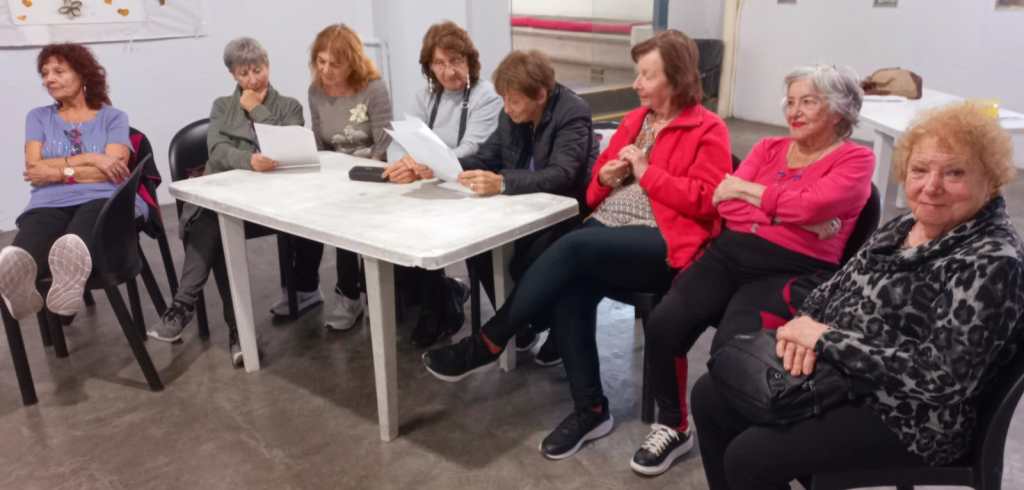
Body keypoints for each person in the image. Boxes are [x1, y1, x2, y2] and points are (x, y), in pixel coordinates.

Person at [422, 30, 732, 460]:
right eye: (638, 73)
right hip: (608, 229)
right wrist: (605, 178)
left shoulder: (708, 128)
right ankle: (591, 410)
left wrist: (647, 173)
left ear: (677, 78)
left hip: (664, 239)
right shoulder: (636, 121)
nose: (637, 83)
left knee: (573, 247)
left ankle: (489, 342)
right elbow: (590, 189)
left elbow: (708, 203)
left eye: (647, 75)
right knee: (572, 286)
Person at [691, 101, 1024, 490]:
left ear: (991, 179)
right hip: (844, 374)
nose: (931, 186)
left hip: (913, 416)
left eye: (955, 173)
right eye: (919, 170)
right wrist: (803, 328)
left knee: (750, 458)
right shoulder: (907, 225)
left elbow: (942, 378)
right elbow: (836, 286)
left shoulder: (993, 261)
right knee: (709, 395)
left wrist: (825, 340)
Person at [632, 64, 874, 476]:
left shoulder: (856, 159)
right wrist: (795, 216)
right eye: (790, 102)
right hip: (730, 254)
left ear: (839, 110)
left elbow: (813, 205)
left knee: (731, 352)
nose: (794, 111)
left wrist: (752, 193)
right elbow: (725, 204)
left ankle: (741, 444)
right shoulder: (767, 147)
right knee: (664, 324)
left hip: (794, 269)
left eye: (808, 102)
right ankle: (673, 426)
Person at [389, 49, 597, 353]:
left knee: (531, 258)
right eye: (504, 100)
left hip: (564, 211)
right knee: (479, 247)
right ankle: (521, 324)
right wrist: (437, 167)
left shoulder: (572, 111)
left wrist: (502, 182)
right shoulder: (510, 113)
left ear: (540, 95)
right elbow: (488, 156)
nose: (507, 108)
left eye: (514, 101)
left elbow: (563, 174)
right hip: (521, 205)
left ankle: (550, 323)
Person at [146, 38, 314, 367]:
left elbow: (288, 144)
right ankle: (219, 322)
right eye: (243, 73)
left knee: (216, 223)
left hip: (272, 199)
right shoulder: (222, 106)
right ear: (232, 75)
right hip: (229, 194)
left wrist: (256, 109)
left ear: (268, 65)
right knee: (215, 221)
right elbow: (217, 151)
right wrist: (249, 160)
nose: (252, 79)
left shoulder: (289, 106)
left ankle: (201, 315)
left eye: (258, 69)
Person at [381, 20, 501, 348]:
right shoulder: (425, 96)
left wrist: (428, 166)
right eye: (439, 63)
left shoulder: (486, 96)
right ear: (429, 67)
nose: (448, 71)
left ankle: (441, 303)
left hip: (471, 186)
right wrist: (404, 164)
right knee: (395, 225)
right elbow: (401, 141)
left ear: (470, 61)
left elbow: (473, 148)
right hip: (431, 181)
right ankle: (440, 299)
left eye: (455, 61)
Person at [0, 43, 136, 325]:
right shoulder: (38, 117)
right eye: (45, 73)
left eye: (59, 71)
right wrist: (92, 159)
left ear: (83, 74)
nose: (49, 79)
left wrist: (58, 171)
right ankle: (22, 287)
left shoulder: (113, 117)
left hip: (100, 197)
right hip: (49, 200)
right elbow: (35, 168)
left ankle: (66, 285)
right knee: (25, 249)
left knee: (74, 241)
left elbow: (114, 170)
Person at [305, 23, 394, 331]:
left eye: (335, 64)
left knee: (348, 214)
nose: (326, 70)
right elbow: (320, 142)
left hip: (372, 172)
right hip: (335, 173)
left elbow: (384, 144)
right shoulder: (316, 91)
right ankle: (343, 294)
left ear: (352, 63)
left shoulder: (373, 88)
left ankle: (356, 293)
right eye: (321, 61)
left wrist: (359, 174)